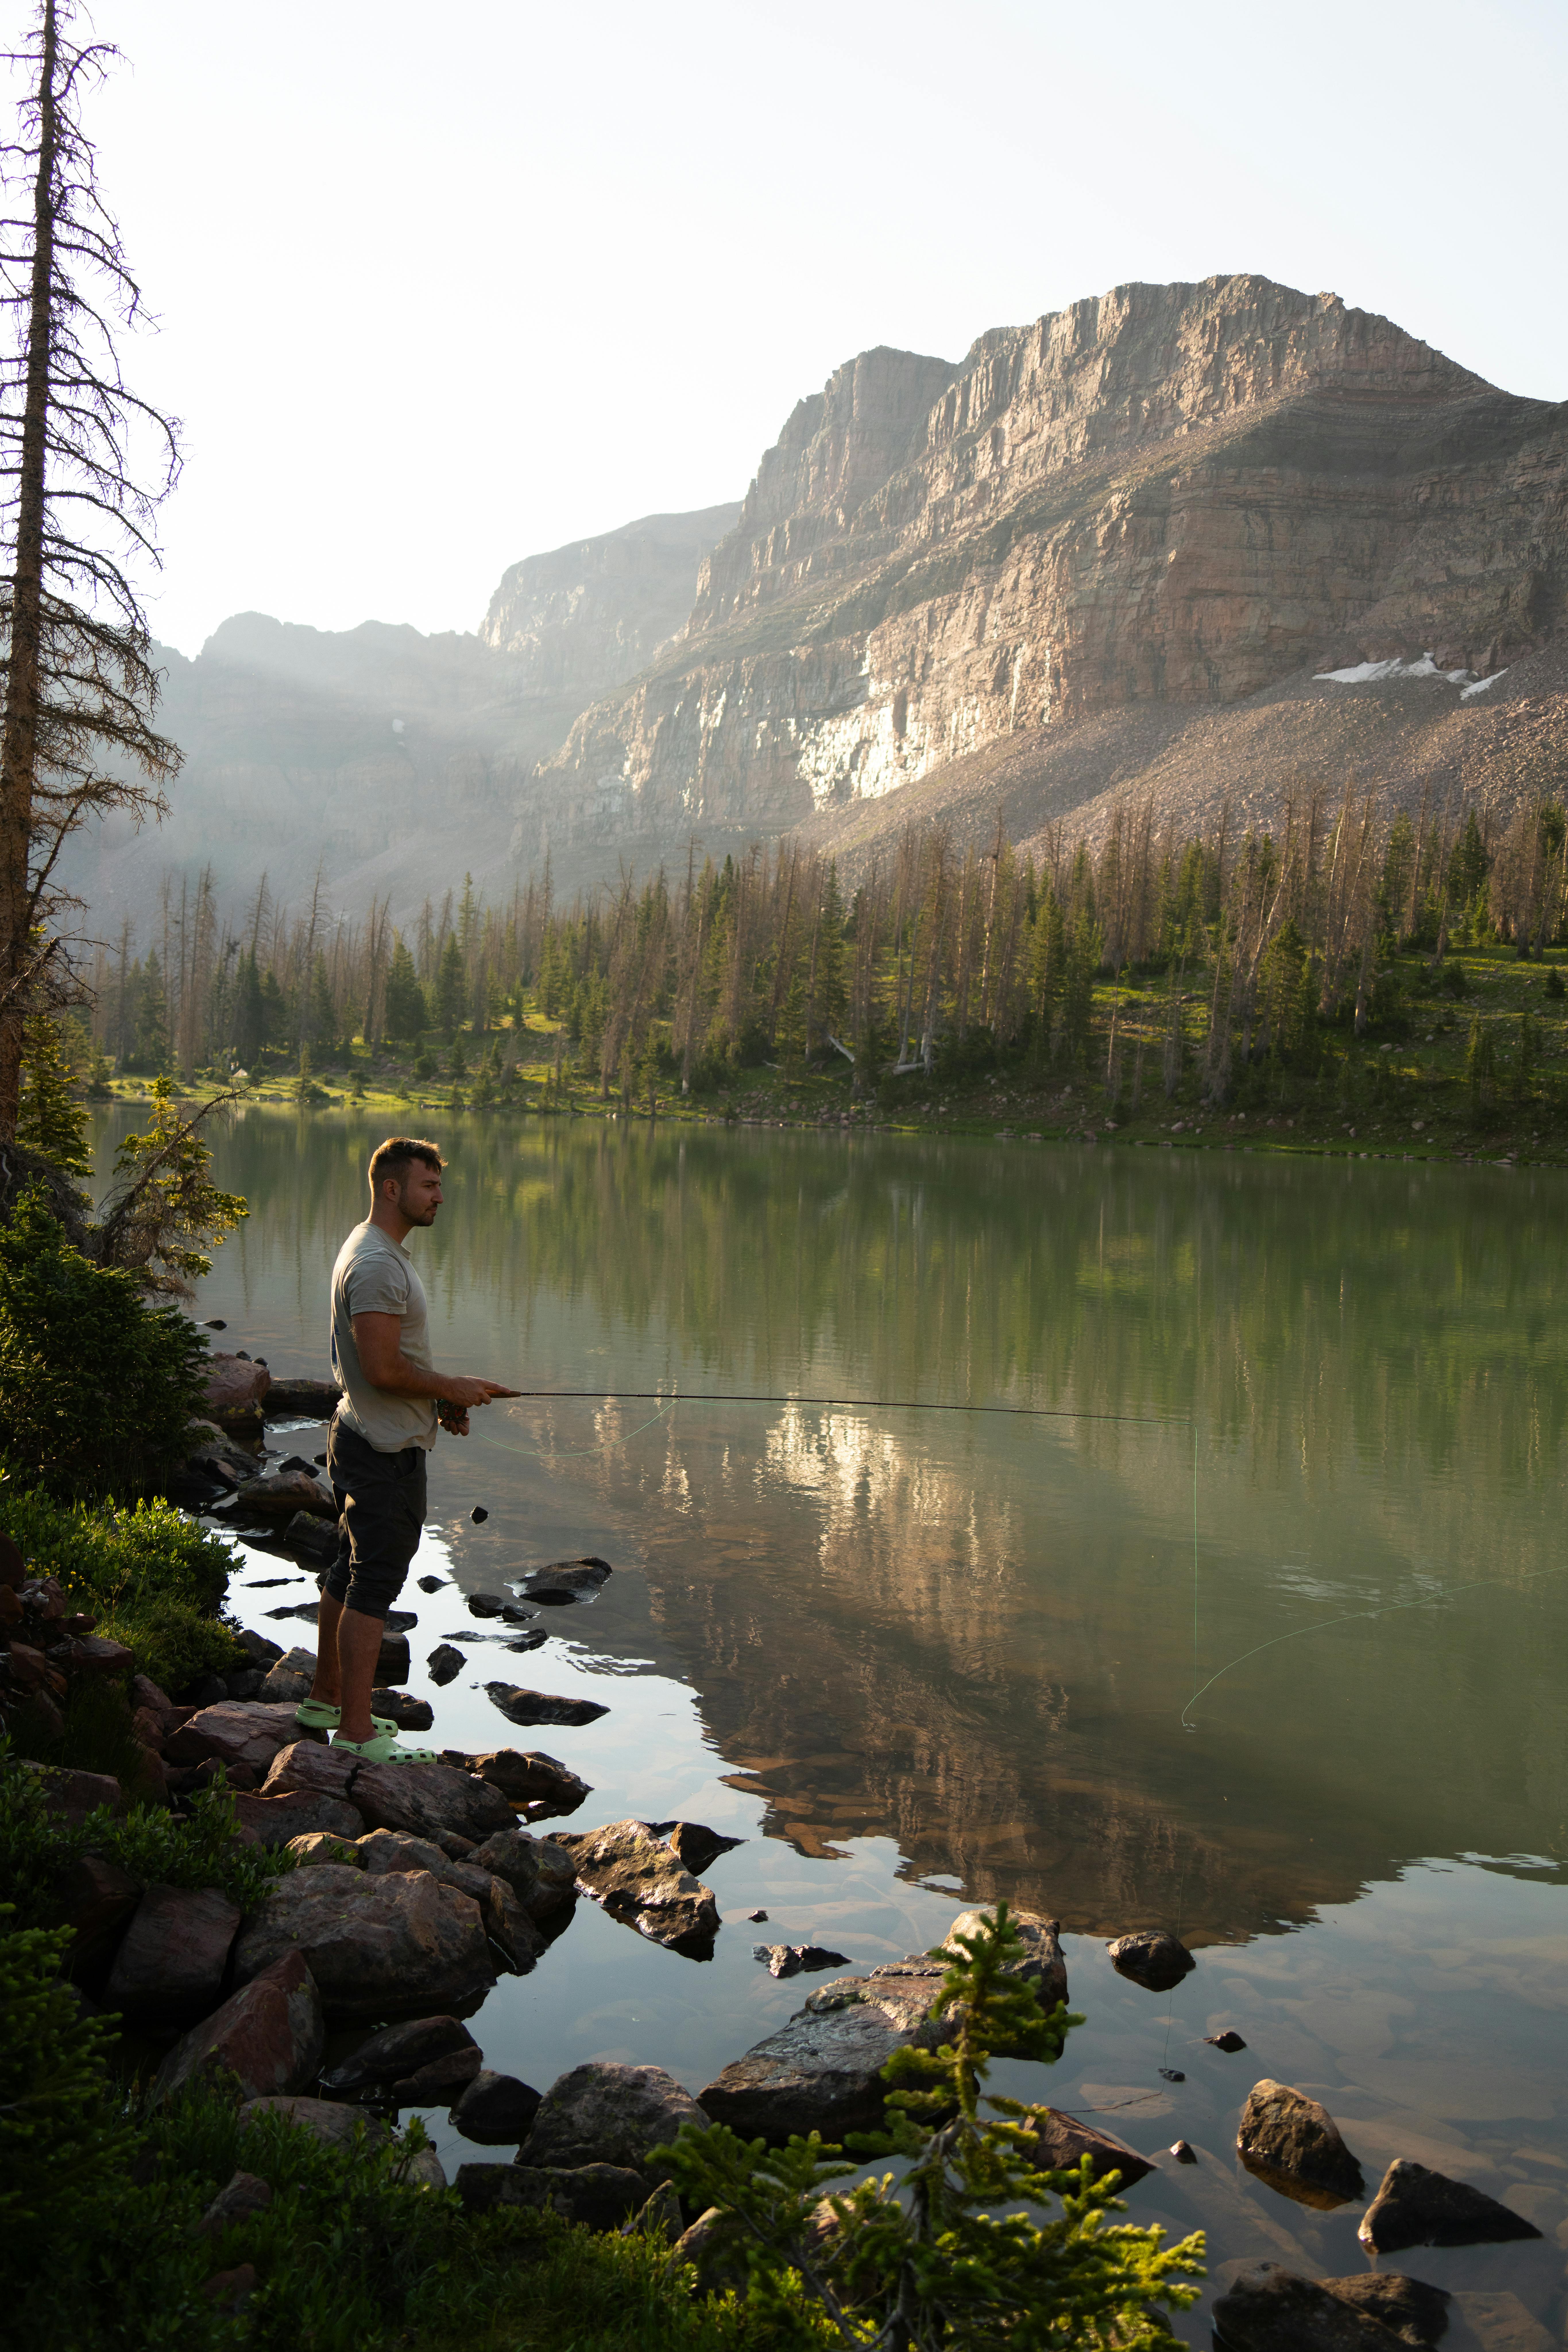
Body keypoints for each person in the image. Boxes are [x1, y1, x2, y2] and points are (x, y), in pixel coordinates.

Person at [299, 1135, 518, 1762]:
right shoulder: (375, 1264)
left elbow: (389, 1369)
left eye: (439, 1186)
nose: (439, 1198)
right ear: (392, 1188)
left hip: (362, 1431)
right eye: (429, 1186)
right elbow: (383, 1366)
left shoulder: (374, 1249)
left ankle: (325, 1697)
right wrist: (450, 1386)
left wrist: (441, 1400)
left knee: (347, 1567)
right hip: (381, 1449)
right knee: (373, 1583)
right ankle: (358, 1734)